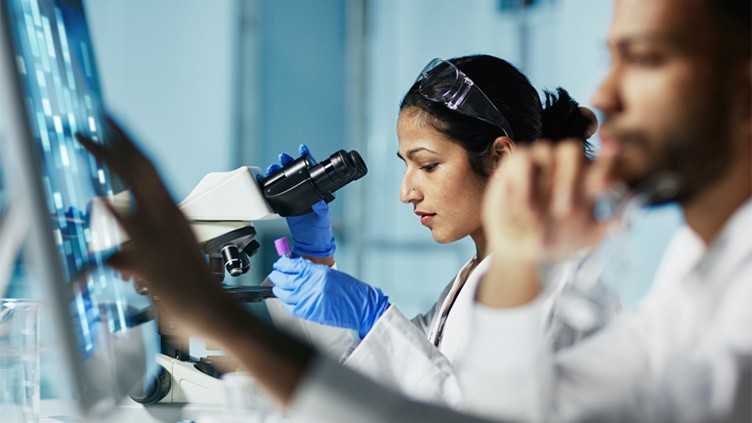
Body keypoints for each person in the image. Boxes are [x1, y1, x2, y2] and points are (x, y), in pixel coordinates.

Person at [454, 0, 752, 421]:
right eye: (610, 59)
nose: (604, 95)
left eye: (645, 59)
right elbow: (518, 411)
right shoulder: (694, 264)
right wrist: (518, 258)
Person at [262, 54, 595, 405]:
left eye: (428, 165)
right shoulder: (471, 280)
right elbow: (381, 384)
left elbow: (466, 412)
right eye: (408, 166)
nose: (406, 193)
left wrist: (373, 316)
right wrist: (316, 259)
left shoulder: (548, 282)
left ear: (500, 158)